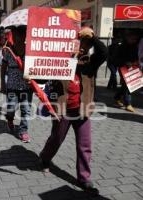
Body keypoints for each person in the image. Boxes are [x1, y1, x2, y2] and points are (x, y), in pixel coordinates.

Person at [39, 27, 107, 195]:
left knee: (85, 145)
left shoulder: (90, 62)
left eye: (86, 43)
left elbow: (104, 53)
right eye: (79, 42)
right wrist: (30, 76)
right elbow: (42, 75)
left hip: (82, 110)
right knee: (56, 139)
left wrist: (93, 37)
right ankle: (45, 158)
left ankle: (84, 178)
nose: (82, 46)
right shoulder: (59, 61)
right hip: (63, 110)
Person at [1, 27, 33, 143]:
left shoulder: (30, 51)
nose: (18, 38)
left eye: (21, 35)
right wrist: (2, 84)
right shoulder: (8, 51)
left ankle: (23, 131)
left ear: (25, 36)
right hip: (12, 86)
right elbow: (3, 68)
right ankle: (10, 120)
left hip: (27, 86)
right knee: (11, 108)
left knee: (26, 110)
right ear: (13, 37)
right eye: (15, 35)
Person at [114, 31, 140, 112]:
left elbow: (136, 56)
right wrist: (125, 62)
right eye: (132, 39)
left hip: (133, 67)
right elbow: (116, 58)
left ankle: (117, 97)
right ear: (127, 38)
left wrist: (136, 61)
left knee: (126, 85)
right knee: (128, 85)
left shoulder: (135, 46)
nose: (134, 40)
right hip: (123, 67)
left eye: (135, 39)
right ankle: (127, 104)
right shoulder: (121, 47)